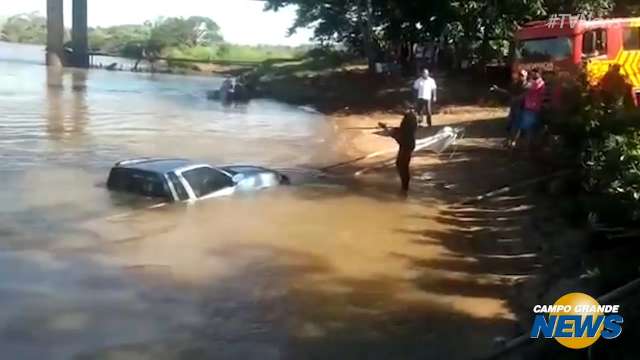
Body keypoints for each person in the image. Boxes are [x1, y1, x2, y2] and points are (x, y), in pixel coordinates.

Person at [378, 107, 419, 195]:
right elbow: (398, 132)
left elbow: (397, 133)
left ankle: (404, 188)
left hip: (406, 144)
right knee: (403, 165)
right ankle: (404, 188)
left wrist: (386, 128)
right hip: (408, 143)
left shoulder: (408, 121)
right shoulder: (412, 119)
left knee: (402, 165)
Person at [490, 69, 528, 146]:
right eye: (519, 75)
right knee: (509, 125)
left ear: (526, 76)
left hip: (521, 108)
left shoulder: (528, 85)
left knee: (517, 126)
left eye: (522, 75)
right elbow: (508, 93)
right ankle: (509, 140)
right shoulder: (515, 85)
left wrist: (514, 99)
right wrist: (497, 89)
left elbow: (523, 96)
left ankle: (513, 141)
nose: (520, 77)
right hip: (514, 107)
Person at [512, 68, 545, 150]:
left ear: (539, 74)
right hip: (532, 108)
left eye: (534, 73)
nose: (532, 75)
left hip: (532, 109)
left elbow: (527, 91)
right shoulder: (536, 83)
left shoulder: (537, 83)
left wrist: (516, 99)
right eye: (532, 73)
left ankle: (527, 147)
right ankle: (529, 146)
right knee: (530, 129)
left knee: (527, 129)